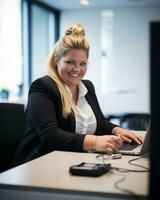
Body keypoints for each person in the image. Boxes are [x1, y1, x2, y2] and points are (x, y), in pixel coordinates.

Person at [12, 24, 143, 167]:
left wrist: (118, 131)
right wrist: (94, 142)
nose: (77, 69)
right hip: (38, 164)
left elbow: (100, 123)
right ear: (57, 59)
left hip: (72, 161)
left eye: (83, 63)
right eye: (70, 62)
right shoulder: (43, 87)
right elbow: (51, 136)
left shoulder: (87, 87)